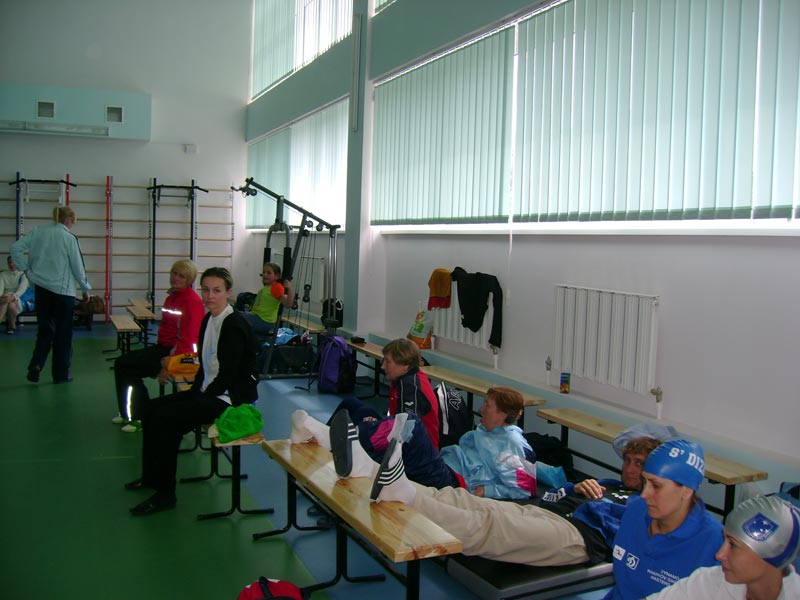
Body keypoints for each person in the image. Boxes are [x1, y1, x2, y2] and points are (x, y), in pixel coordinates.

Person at [293, 407, 661, 567]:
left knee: (490, 526)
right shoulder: (606, 483)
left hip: (578, 539)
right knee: (458, 498)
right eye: (628, 460)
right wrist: (574, 488)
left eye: (639, 464)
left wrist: (626, 504)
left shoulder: (651, 505)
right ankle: (368, 470)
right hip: (547, 512)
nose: (629, 468)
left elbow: (644, 542)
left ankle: (403, 492)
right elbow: (551, 492)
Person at [125, 267, 259, 516]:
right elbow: (205, 363)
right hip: (209, 390)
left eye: (216, 290)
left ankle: (166, 494)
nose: (210, 296)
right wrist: (195, 390)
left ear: (228, 292)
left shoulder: (234, 324)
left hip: (229, 398)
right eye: (205, 290)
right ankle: (151, 477)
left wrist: (199, 397)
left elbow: (229, 375)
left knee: (167, 419)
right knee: (151, 409)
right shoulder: (209, 319)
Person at [602, 439, 724, 599]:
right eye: (645, 482)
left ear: (687, 491)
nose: (644, 494)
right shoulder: (636, 510)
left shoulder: (713, 543)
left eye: (656, 485)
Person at [111, 259, 205, 432]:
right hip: (163, 348)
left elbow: (188, 341)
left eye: (182, 276)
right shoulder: (171, 298)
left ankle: (140, 416)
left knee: (128, 367)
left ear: (190, 280)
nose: (176, 278)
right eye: (174, 273)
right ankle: (128, 413)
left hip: (182, 356)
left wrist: (168, 366)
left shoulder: (191, 301)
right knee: (121, 363)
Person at [645, 495, 800, 599]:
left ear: (773, 555)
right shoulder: (709, 581)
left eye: (732, 545)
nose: (719, 555)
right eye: (724, 539)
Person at [11, 205, 91, 383]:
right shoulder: (69, 238)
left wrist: (26, 270)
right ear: (68, 220)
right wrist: (85, 289)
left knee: (45, 330)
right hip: (63, 293)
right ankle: (61, 375)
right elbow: (78, 267)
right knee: (63, 334)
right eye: (72, 222)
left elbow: (15, 248)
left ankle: (36, 364)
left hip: (41, 290)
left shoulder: (37, 232)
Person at [439, 386, 536, 498]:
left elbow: (524, 490)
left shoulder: (512, 442)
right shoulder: (483, 430)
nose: (481, 409)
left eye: (487, 405)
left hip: (455, 479)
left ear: (502, 414)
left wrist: (487, 490)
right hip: (447, 464)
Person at [382, 338, 440, 450]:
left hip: (419, 453)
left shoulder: (409, 387)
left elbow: (405, 434)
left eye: (388, 361)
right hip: (415, 446)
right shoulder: (407, 378)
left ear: (405, 365)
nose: (383, 366)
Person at [240, 262, 294, 336]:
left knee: (234, 316)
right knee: (233, 313)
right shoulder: (266, 288)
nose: (265, 275)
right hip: (255, 317)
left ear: (276, 276)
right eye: (264, 272)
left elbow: (288, 304)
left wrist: (290, 289)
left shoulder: (276, 287)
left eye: (268, 273)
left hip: (264, 321)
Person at [0, 256, 28, 334]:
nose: (11, 264)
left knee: (11, 305)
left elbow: (22, 290)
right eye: (9, 262)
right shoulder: (3, 274)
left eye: (13, 262)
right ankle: (12, 326)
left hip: (19, 298)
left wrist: (13, 297)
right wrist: (2, 297)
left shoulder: (23, 274)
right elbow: (0, 289)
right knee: (6, 302)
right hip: (4, 297)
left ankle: (11, 325)